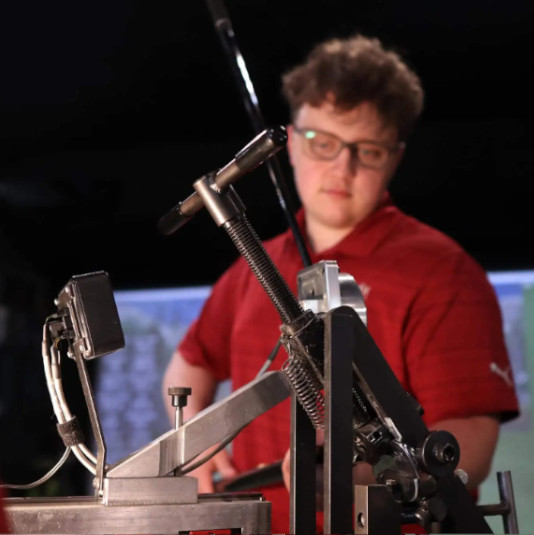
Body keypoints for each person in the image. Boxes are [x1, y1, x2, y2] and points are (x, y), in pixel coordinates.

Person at [162, 34, 519, 534]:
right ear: (288, 139)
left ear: (394, 157)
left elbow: (470, 447)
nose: (341, 167)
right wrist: (196, 456)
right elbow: (190, 363)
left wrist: (360, 475)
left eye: (367, 150)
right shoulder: (253, 265)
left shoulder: (442, 271)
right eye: (322, 142)